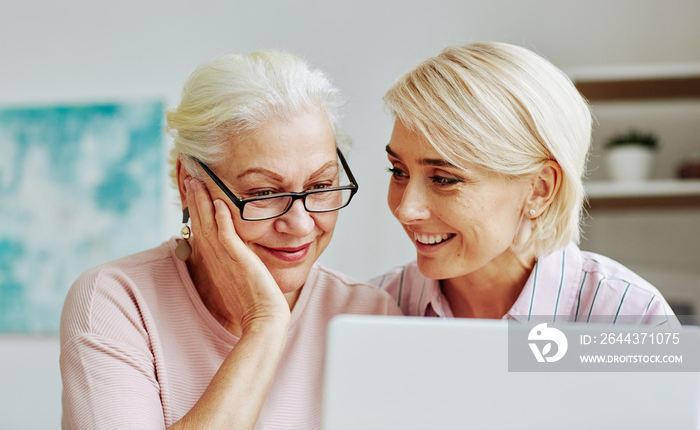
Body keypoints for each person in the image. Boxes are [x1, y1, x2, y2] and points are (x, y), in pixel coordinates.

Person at [60, 50, 400, 429]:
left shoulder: (369, 315)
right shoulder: (117, 302)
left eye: (320, 186)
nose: (301, 225)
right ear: (189, 185)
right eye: (264, 193)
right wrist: (265, 325)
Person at [371, 42, 677, 326]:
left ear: (539, 189)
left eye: (444, 179)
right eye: (398, 171)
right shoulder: (374, 308)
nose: (405, 210)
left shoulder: (631, 317)